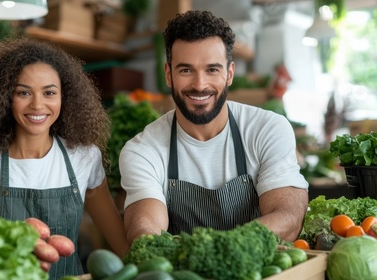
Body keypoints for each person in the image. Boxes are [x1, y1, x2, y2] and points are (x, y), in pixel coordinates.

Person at [0, 37, 129, 278]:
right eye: (23, 92)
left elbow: (121, 244)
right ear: (4, 98)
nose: (38, 105)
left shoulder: (83, 156)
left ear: (65, 97)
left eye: (49, 92)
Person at [119, 10, 309, 244]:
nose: (200, 85)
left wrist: (220, 251)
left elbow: (288, 217)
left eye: (212, 69)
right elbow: (145, 231)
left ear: (229, 74)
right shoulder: (143, 150)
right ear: (169, 75)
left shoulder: (267, 129)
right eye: (186, 70)